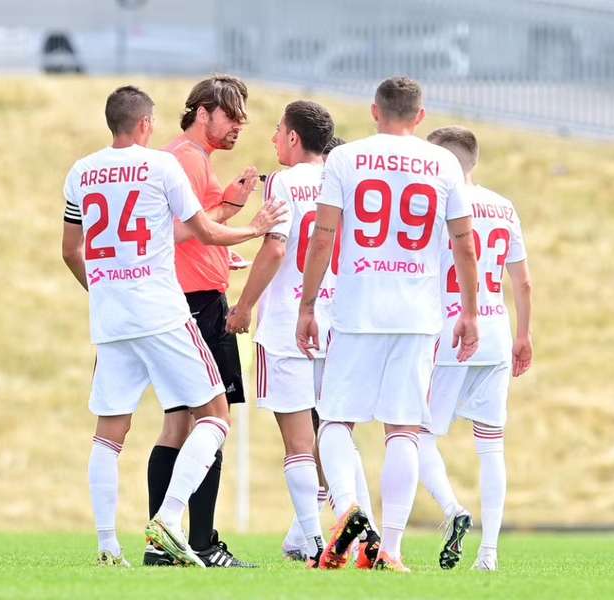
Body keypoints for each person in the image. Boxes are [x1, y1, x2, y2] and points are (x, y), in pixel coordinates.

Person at [60, 85, 286, 567]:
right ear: (145, 124)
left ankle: (107, 547)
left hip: (111, 317)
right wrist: (257, 225)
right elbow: (202, 229)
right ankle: (168, 518)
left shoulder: (81, 171)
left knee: (109, 433)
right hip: (162, 311)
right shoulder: (161, 165)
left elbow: (69, 250)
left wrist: (103, 290)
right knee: (215, 416)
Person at [296, 76, 480, 572]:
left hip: (358, 309)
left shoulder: (345, 158)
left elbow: (324, 235)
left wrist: (308, 304)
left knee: (335, 420)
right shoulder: (442, 163)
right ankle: (391, 549)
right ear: (420, 118)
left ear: (375, 111)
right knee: (404, 429)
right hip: (417, 315)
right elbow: (465, 243)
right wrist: (470, 310)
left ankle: (349, 509)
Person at [225, 104, 380, 568]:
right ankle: (353, 527)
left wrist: (244, 306)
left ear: (293, 138)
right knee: (335, 434)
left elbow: (275, 248)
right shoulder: (347, 181)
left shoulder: (283, 182)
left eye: (277, 131)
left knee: (297, 442)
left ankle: (314, 541)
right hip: (341, 323)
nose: (273, 139)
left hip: (289, 321)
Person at [145, 75, 259, 568]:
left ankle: (161, 547)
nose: (239, 126)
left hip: (183, 296)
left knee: (178, 423)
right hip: (197, 305)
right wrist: (240, 216)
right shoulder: (187, 158)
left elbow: (190, 229)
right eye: (231, 115)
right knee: (214, 420)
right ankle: (201, 542)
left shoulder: (185, 157)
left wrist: (221, 243)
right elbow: (177, 228)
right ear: (204, 110)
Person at [418, 126, 533, 572]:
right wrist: (524, 334)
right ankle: (490, 553)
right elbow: (521, 279)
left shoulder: (436, 205)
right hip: (497, 332)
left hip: (450, 330)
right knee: (491, 446)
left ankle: (452, 509)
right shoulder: (503, 206)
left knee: (414, 432)